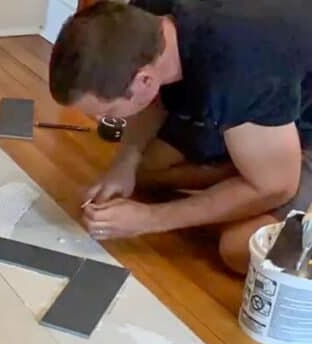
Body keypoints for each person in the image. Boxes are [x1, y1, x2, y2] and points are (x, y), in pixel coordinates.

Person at [49, 0, 312, 273]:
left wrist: (149, 219)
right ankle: (249, 164)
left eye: (111, 113)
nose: (106, 122)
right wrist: (124, 165)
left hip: (296, 115)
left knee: (239, 248)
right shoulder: (143, 16)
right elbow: (153, 100)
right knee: (144, 169)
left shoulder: (239, 71)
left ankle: (262, 168)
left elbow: (277, 187)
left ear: (145, 81)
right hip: (259, 93)